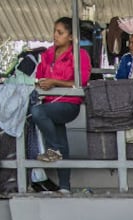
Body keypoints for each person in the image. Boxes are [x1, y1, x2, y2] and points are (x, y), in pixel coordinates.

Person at [31, 17, 92, 194]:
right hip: (50, 104)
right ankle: (64, 186)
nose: (55, 36)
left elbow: (81, 81)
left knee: (37, 112)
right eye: (55, 32)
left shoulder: (80, 55)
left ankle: (53, 149)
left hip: (68, 104)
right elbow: (40, 77)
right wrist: (41, 84)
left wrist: (55, 82)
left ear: (71, 36)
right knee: (62, 141)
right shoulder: (48, 54)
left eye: (60, 33)